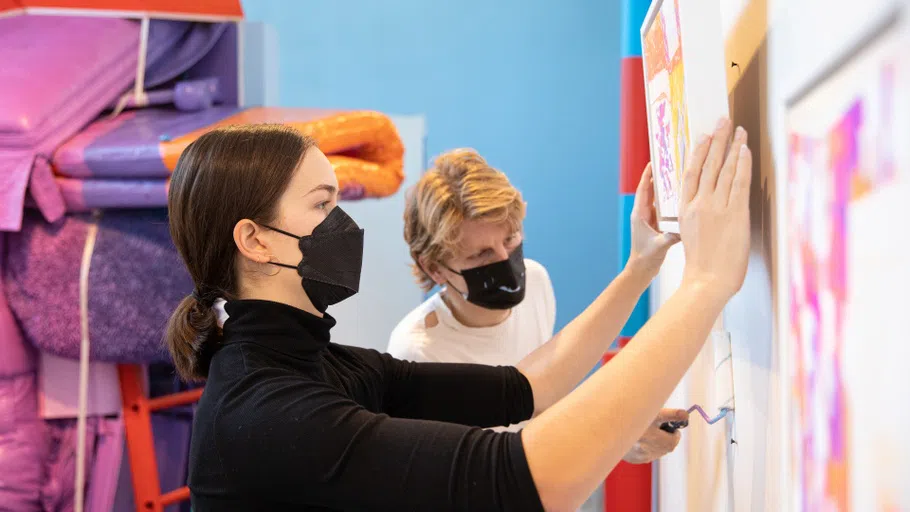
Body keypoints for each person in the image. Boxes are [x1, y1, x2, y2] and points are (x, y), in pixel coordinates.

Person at [165, 118, 752, 511]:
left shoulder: (324, 364)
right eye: (322, 205)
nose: (343, 225)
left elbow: (527, 388)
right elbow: (524, 478)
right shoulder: (270, 411)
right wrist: (703, 286)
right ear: (257, 241)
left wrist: (642, 267)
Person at [387, 148, 680, 458]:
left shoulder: (536, 283)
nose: (504, 260)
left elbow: (539, 409)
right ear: (434, 268)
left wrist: (622, 438)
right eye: (481, 254)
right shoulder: (418, 353)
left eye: (510, 238)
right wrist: (607, 440)